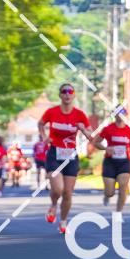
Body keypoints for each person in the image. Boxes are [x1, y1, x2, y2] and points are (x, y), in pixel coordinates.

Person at [38, 83, 92, 234]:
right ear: (60, 95)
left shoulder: (79, 114)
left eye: (70, 91)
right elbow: (41, 123)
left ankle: (63, 221)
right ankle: (53, 205)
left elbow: (91, 135)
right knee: (58, 188)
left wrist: (83, 129)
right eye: (64, 91)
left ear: (74, 95)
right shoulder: (52, 112)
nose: (67, 94)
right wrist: (44, 137)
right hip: (54, 153)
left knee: (67, 193)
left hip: (71, 155)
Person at [93, 107, 130, 215]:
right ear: (114, 114)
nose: (120, 115)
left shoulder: (129, 130)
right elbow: (96, 142)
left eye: (122, 112)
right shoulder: (108, 129)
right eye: (117, 113)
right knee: (110, 192)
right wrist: (106, 148)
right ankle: (107, 196)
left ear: (125, 114)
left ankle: (118, 213)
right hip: (110, 162)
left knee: (123, 188)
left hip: (124, 162)